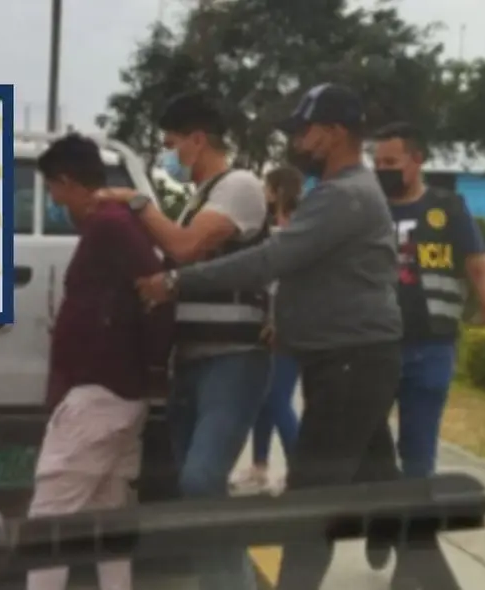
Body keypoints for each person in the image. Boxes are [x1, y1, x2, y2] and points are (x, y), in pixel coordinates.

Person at [135, 83, 405, 590]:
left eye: (305, 131)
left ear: (336, 132)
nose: (299, 141)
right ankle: (410, 549)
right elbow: (310, 272)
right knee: (373, 481)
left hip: (351, 360)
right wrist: (287, 319)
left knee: (311, 495)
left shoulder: (345, 195)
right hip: (346, 359)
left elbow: (271, 260)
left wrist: (176, 281)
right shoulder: (342, 191)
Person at [95, 92, 271, 590]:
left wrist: (136, 204)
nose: (169, 154)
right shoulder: (201, 197)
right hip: (192, 361)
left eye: (172, 144)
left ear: (198, 139)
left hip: (233, 360)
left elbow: (186, 246)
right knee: (193, 490)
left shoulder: (238, 186)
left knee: (202, 480)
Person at [25, 134, 173, 590]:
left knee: (49, 521)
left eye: (52, 190)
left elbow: (156, 290)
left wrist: (146, 364)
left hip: (98, 394)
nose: (54, 201)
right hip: (117, 392)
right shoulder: (111, 226)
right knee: (106, 522)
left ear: (68, 183)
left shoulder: (110, 226)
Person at [370, 121, 485, 569]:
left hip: (430, 350)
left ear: (417, 161)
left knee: (418, 455)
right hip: (372, 349)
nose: (382, 171)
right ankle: (380, 522)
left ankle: (410, 558)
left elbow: (479, 270)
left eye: (391, 163)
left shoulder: (448, 208)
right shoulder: (367, 208)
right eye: (376, 163)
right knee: (369, 448)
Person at [232, 166, 303, 494]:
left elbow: (288, 281)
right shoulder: (273, 226)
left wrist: (278, 321)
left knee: (277, 399)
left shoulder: (297, 226)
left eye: (266, 187)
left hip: (286, 327)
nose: (262, 192)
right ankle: (259, 467)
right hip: (270, 321)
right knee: (265, 400)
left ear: (277, 190)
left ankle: (299, 471)